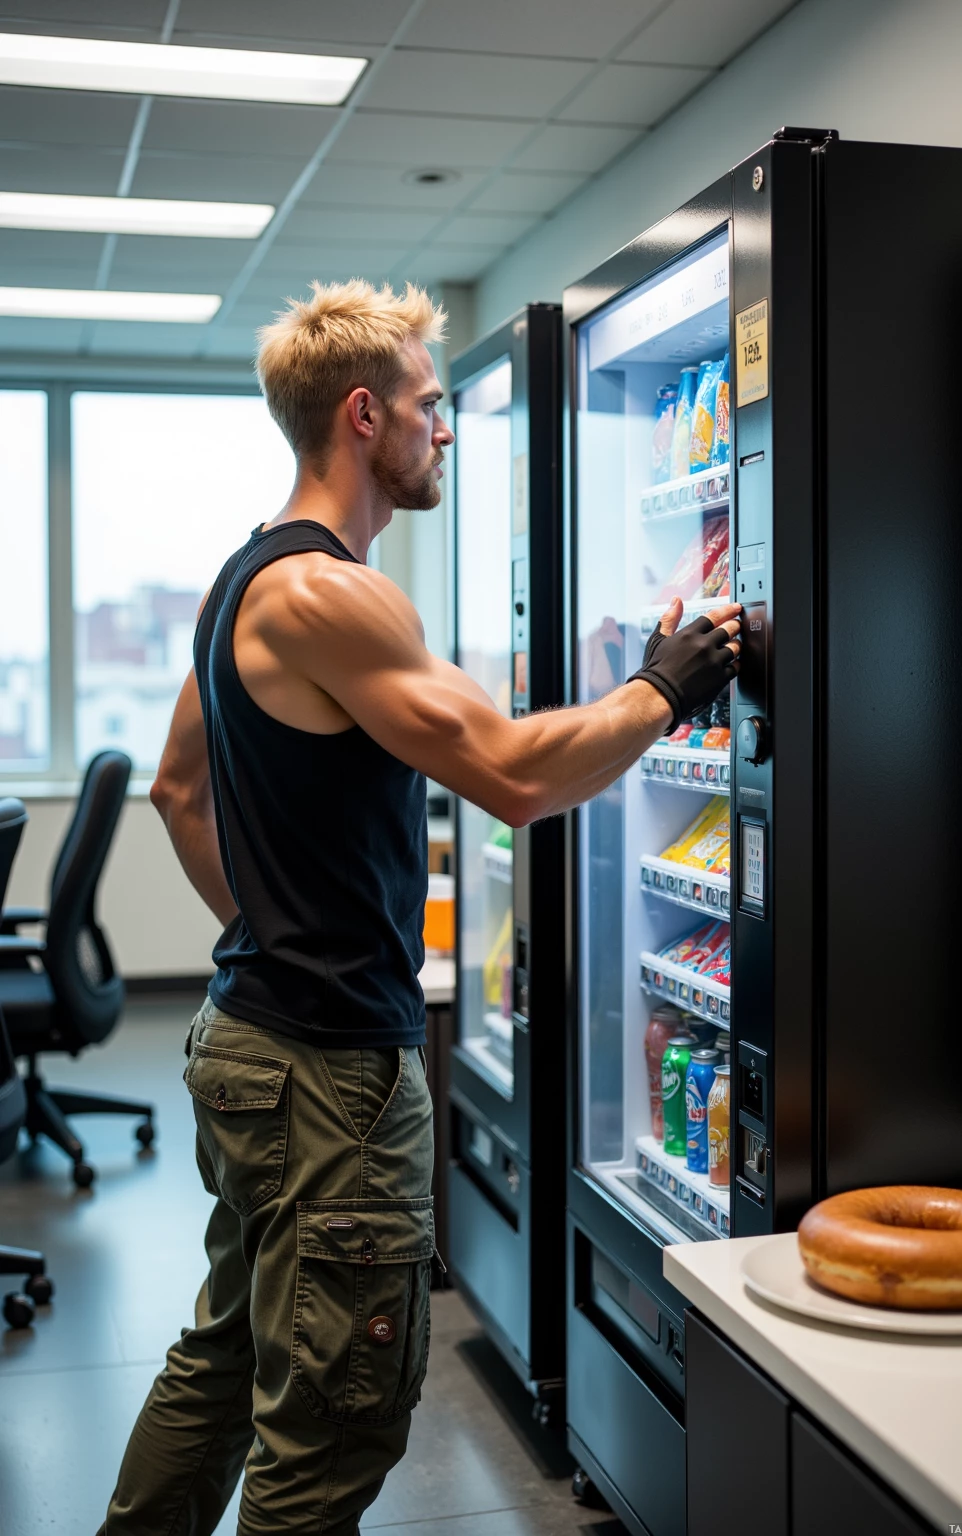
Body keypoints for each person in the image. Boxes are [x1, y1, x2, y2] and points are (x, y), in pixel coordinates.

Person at [99, 279, 741, 1536]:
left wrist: (278, 933)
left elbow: (180, 792)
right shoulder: (332, 595)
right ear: (361, 416)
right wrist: (668, 685)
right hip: (328, 1072)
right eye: (429, 408)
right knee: (332, 1430)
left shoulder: (242, 581)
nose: (443, 431)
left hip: (250, 1045)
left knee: (226, 1363)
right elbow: (509, 775)